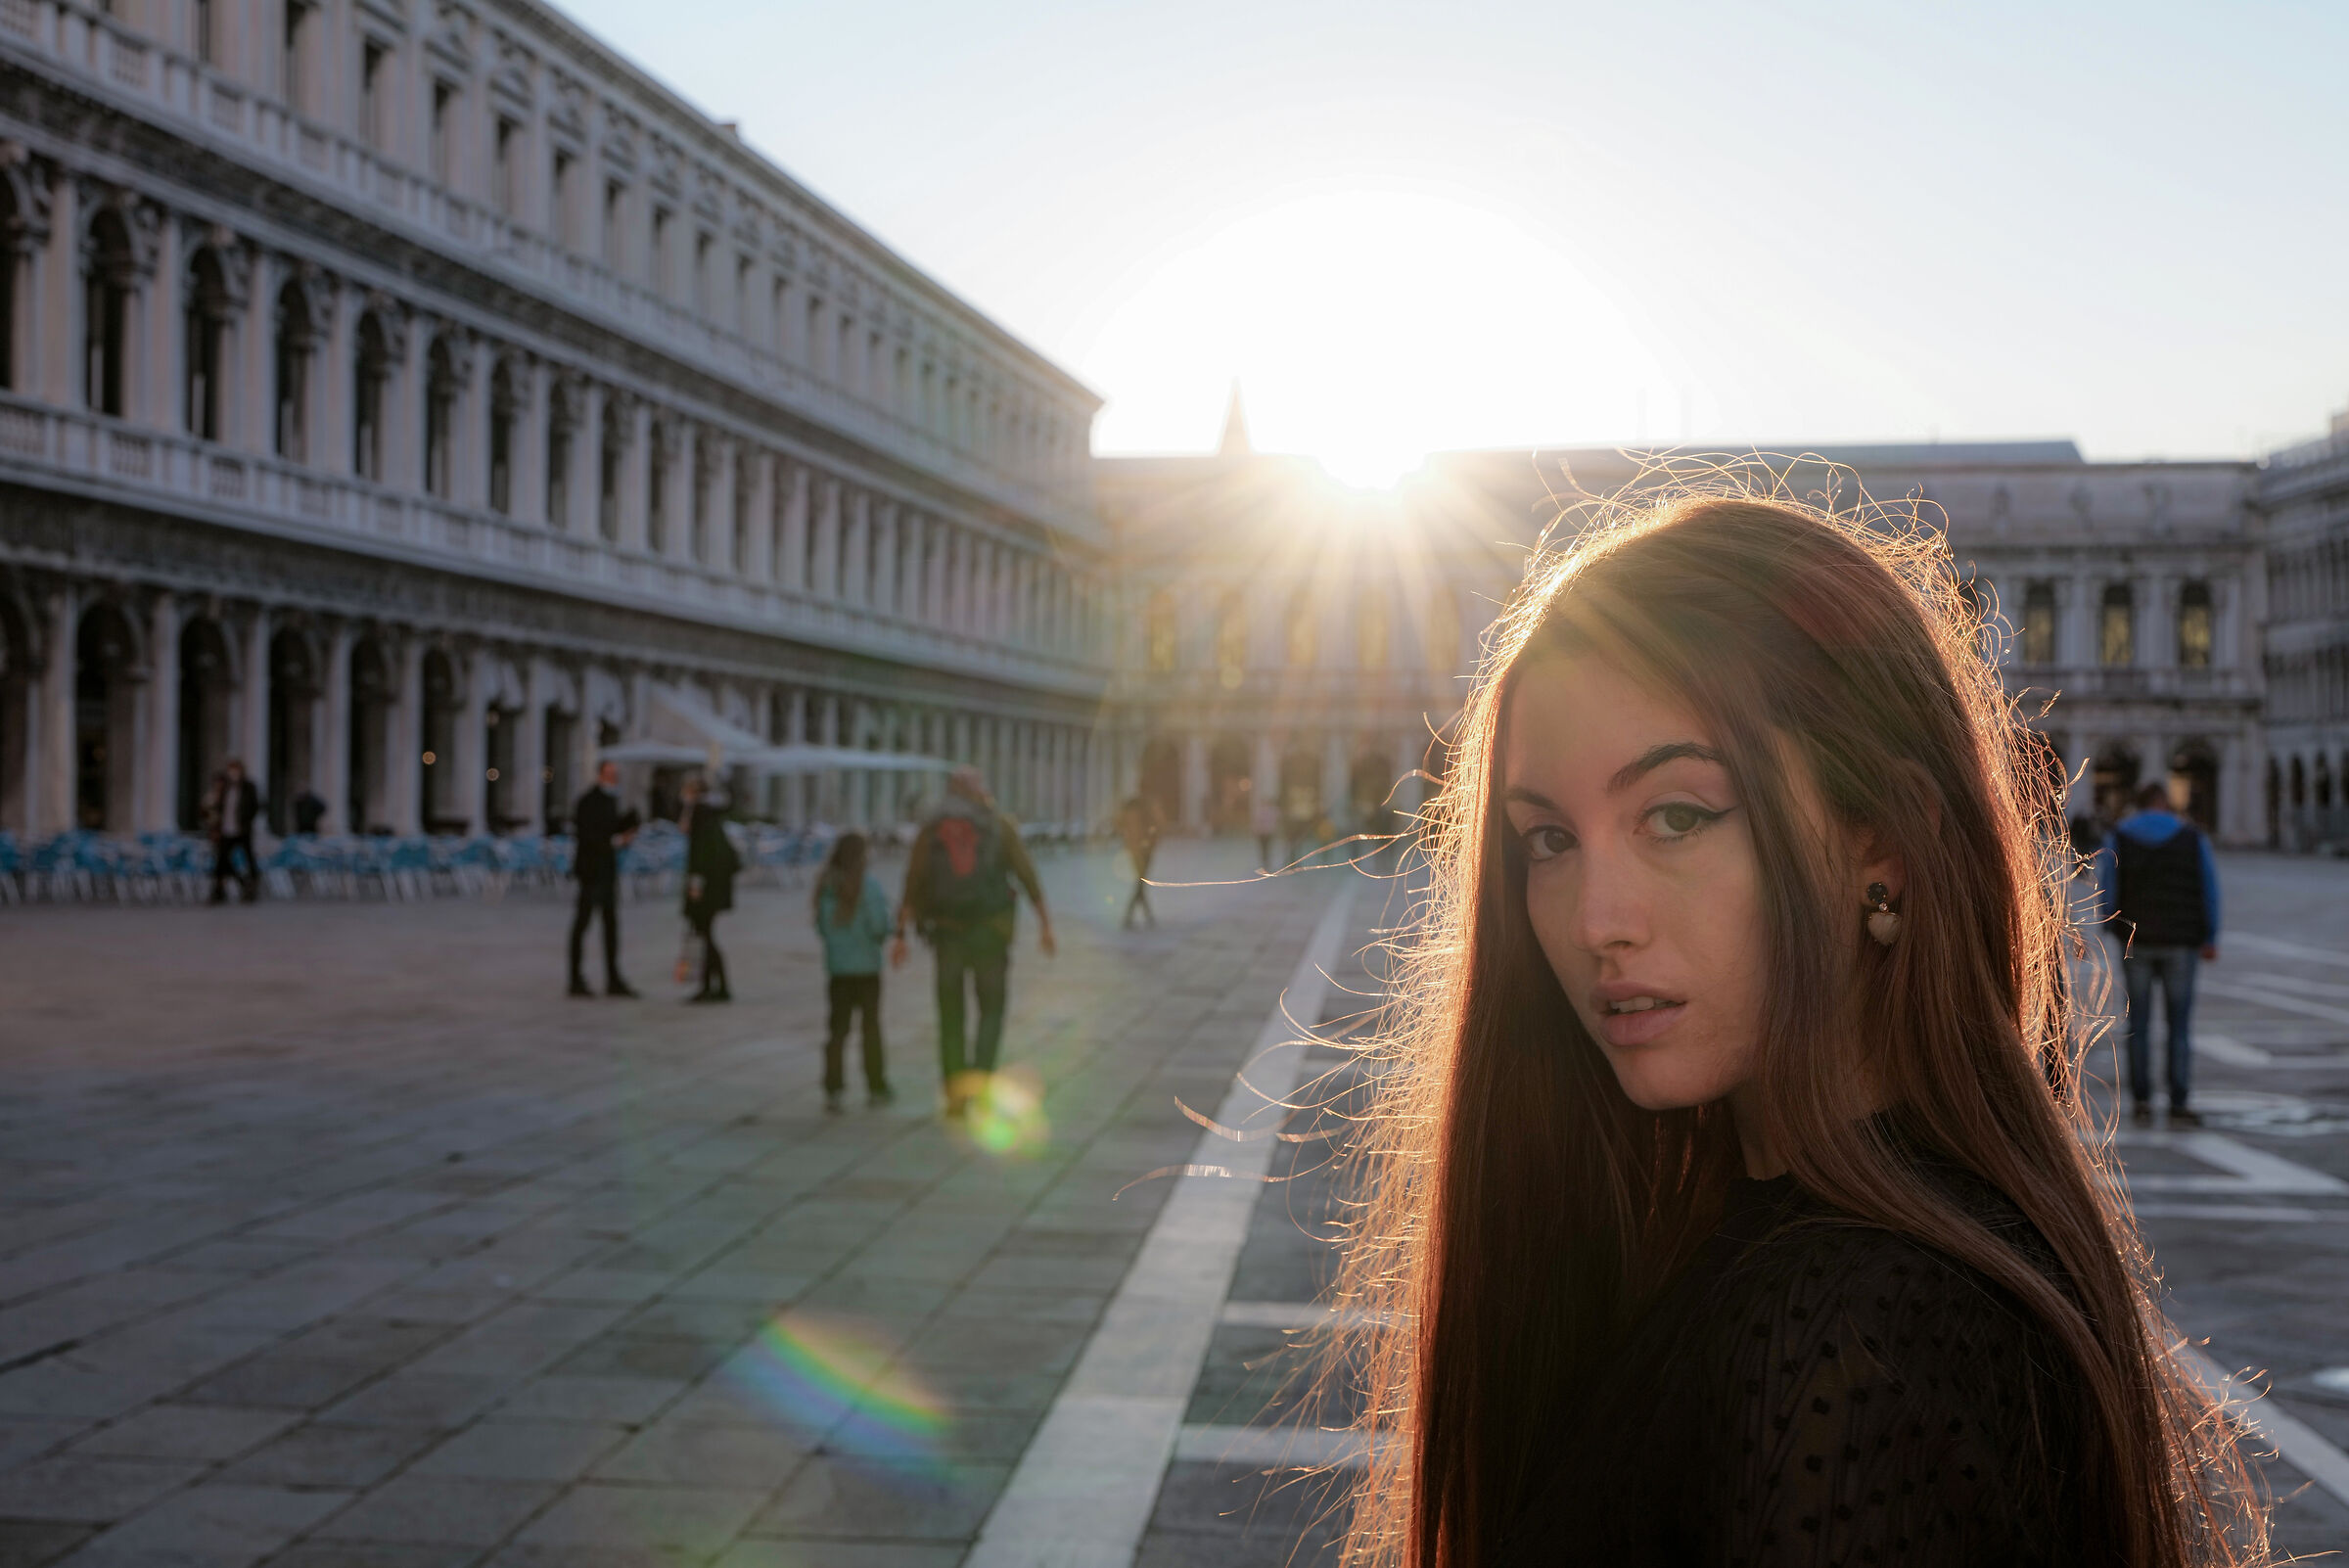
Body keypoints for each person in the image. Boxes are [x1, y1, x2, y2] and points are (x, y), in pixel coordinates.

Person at [1323, 494, 2265, 1568]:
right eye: (1546, 839)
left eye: (1677, 816)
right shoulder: (1818, 1252)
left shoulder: (1866, 1340)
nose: (1594, 923)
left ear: (1884, 847)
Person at [892, 765, 1056, 1118]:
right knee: (991, 1011)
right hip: (990, 932)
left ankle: (955, 1094)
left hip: (948, 932)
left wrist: (900, 934)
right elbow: (1026, 874)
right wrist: (1045, 924)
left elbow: (914, 878)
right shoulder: (999, 824)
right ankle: (980, 1086)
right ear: (979, 791)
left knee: (950, 1014)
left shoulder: (933, 827)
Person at [2096, 781, 2222, 1129]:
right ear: (2166, 805)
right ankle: (2179, 1101)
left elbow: (2108, 886)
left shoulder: (2119, 835)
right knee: (2178, 1024)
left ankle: (2141, 1102)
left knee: (2138, 1023)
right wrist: (2209, 935)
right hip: (2182, 942)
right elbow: (2209, 888)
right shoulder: (2192, 836)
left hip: (2136, 941)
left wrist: (2110, 925)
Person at [814, 831, 896, 1113]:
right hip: (867, 970)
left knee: (837, 1031)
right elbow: (879, 927)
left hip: (838, 971)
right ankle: (876, 1086)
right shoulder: (869, 886)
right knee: (870, 1028)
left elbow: (823, 928)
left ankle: (833, 1089)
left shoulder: (826, 886)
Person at [568, 760, 640, 997]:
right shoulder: (588, 801)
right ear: (600, 774)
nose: (613, 779)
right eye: (609, 774)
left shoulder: (611, 801)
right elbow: (589, 836)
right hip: (591, 872)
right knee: (583, 923)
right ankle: (575, 979)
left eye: (615, 775)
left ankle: (613, 979)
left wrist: (631, 821)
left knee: (610, 925)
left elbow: (612, 828)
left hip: (607, 872)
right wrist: (616, 841)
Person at [679, 775, 741, 1003]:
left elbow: (700, 853)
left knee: (704, 934)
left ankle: (714, 986)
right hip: (712, 885)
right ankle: (714, 985)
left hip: (704, 887)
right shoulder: (704, 812)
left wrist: (695, 884)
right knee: (705, 934)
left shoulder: (700, 812)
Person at [206, 760, 261, 904]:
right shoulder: (225, 788)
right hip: (226, 830)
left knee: (249, 859)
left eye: (235, 769)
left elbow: (255, 806)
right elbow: (216, 808)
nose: (233, 773)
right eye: (231, 770)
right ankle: (219, 890)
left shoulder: (249, 787)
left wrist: (246, 821)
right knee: (222, 860)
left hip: (242, 831)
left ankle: (251, 887)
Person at [1116, 794, 1162, 929]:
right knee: (1140, 882)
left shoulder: (1134, 805)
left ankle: (1139, 916)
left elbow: (1119, 823)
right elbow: (1158, 825)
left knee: (1140, 881)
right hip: (1143, 849)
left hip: (1137, 848)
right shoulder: (1146, 806)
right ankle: (1136, 916)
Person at [1251, 793, 1277, 872]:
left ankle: (1265, 861)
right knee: (1266, 848)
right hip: (1266, 832)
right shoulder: (1271, 811)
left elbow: (1257, 822)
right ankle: (1266, 861)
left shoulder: (1262, 811)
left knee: (1264, 848)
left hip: (1264, 832)